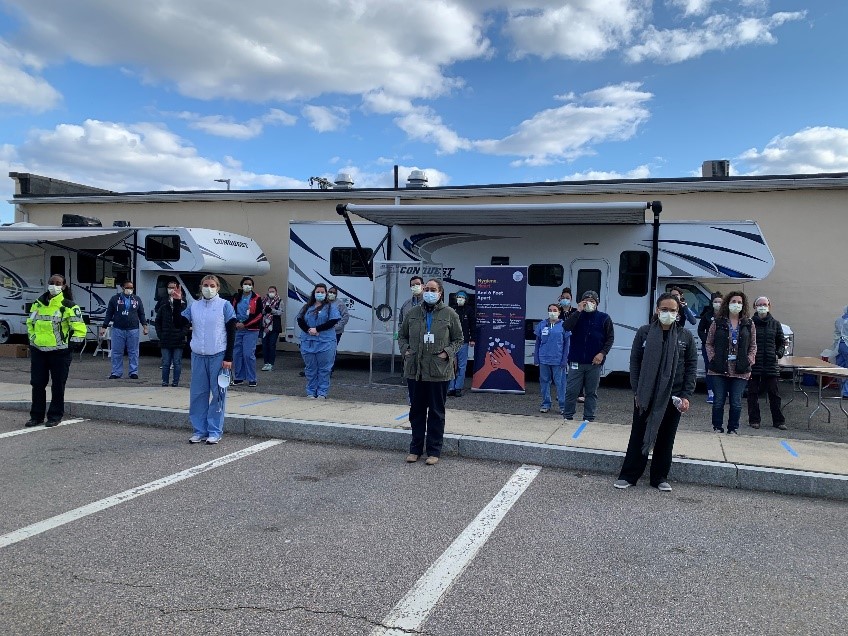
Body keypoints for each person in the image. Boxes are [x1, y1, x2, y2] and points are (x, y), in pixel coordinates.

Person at [614, 293, 697, 491]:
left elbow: (691, 366)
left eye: (673, 310)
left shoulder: (685, 336)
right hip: (645, 394)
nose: (668, 313)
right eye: (664, 309)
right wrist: (637, 391)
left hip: (673, 395)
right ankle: (629, 475)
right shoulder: (644, 332)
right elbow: (635, 362)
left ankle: (659, 477)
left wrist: (686, 395)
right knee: (638, 435)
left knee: (666, 437)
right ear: (657, 310)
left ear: (678, 313)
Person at [399, 279, 463, 466]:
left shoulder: (449, 314)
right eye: (426, 289)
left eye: (432, 290)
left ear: (440, 293)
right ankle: (415, 449)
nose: (428, 292)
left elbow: (459, 339)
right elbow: (401, 335)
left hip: (438, 371)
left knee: (436, 412)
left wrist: (447, 353)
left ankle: (434, 450)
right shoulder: (412, 313)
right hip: (415, 371)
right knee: (416, 411)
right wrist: (406, 350)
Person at [177, 275, 236, 444]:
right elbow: (179, 323)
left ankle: (214, 431)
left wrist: (229, 357)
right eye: (205, 285)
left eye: (212, 285)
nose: (208, 288)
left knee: (218, 394)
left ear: (217, 288)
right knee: (198, 394)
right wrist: (176, 302)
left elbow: (232, 331)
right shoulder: (194, 306)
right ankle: (199, 430)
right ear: (201, 287)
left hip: (218, 355)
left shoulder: (224, 305)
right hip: (198, 355)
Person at [25, 273, 86, 427]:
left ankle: (55, 416)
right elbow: (30, 323)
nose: (54, 285)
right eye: (52, 282)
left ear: (63, 286)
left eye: (58, 283)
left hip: (60, 352)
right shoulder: (37, 304)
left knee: (58, 385)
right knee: (37, 384)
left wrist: (71, 346)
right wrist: (32, 340)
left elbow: (79, 328)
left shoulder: (69, 306)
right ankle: (36, 416)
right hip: (39, 351)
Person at [706, 291, 756, 434]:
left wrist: (749, 359)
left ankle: (733, 428)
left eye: (739, 302)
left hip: (740, 368)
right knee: (719, 401)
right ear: (727, 303)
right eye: (734, 302)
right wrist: (713, 358)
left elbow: (753, 345)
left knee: (736, 402)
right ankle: (717, 427)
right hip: (719, 367)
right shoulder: (718, 322)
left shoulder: (749, 323)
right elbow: (709, 343)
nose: (736, 305)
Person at [561, 290, 614, 422]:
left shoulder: (604, 318)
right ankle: (568, 416)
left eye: (592, 301)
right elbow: (566, 327)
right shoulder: (576, 315)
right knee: (571, 391)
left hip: (594, 363)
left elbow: (610, 338)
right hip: (576, 361)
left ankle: (589, 418)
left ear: (597, 303)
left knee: (591, 392)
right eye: (586, 301)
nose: (589, 303)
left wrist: (602, 354)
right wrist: (578, 311)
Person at [747, 297, 787, 430]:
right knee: (752, 393)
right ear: (755, 307)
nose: (762, 306)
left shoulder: (775, 324)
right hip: (754, 363)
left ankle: (778, 421)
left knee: (774, 394)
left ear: (769, 306)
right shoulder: (750, 323)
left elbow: (782, 342)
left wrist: (778, 353)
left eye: (765, 304)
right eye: (760, 304)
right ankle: (754, 420)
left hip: (771, 364)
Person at [297, 283, 341, 399]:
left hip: (325, 341)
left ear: (326, 294)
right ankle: (311, 392)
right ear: (314, 293)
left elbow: (332, 321)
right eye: (318, 292)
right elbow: (300, 320)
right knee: (311, 368)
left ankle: (322, 392)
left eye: (322, 292)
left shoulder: (331, 307)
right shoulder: (307, 307)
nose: (320, 294)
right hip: (308, 341)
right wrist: (308, 330)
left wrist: (317, 329)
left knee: (324, 369)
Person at [101, 280, 148, 379]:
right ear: (123, 288)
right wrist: (104, 327)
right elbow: (109, 313)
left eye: (131, 288)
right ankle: (116, 372)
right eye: (128, 287)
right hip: (118, 328)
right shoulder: (115, 299)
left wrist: (144, 326)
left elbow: (141, 314)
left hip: (133, 329)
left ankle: (133, 372)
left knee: (134, 351)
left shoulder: (137, 299)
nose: (130, 290)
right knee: (116, 351)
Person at [534, 303, 570, 414]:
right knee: (544, 381)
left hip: (558, 359)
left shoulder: (564, 325)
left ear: (559, 312)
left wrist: (565, 359)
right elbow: (538, 342)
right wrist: (536, 357)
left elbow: (567, 344)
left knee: (560, 383)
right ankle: (546, 404)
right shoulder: (542, 324)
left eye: (555, 310)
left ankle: (563, 406)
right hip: (544, 358)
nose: (552, 312)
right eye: (550, 310)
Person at [230, 276, 263, 387]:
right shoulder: (236, 297)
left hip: (251, 330)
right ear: (242, 285)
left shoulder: (257, 298)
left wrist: (245, 324)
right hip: (237, 329)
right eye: (245, 283)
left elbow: (259, 315)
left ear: (252, 286)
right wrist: (235, 323)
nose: (247, 286)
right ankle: (238, 377)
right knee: (237, 354)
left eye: (249, 284)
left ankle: (252, 378)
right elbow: (231, 310)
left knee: (248, 354)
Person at [154, 279, 188, 387]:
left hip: (178, 340)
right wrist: (160, 334)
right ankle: (165, 381)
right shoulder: (164, 305)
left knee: (177, 362)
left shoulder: (183, 306)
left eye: (174, 288)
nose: (172, 290)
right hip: (165, 338)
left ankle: (175, 382)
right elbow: (157, 322)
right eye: (170, 288)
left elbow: (186, 323)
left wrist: (182, 334)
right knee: (166, 362)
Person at [399, 275, 425, 404]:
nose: (415, 287)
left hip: (424, 345)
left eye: (417, 284)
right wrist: (404, 347)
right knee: (410, 373)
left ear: (423, 286)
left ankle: (422, 400)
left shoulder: (427, 304)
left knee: (423, 373)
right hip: (409, 346)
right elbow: (400, 324)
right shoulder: (406, 304)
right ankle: (411, 399)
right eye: (412, 285)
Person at [698, 291, 724, 404]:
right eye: (715, 301)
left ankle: (721, 392)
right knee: (709, 368)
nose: (717, 303)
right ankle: (710, 393)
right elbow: (700, 330)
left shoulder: (726, 316)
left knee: (722, 369)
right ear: (712, 303)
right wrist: (706, 340)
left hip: (722, 347)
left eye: (720, 302)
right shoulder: (707, 315)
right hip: (707, 347)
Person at [448, 290, 474, 397]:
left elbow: (472, 325)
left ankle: (458, 387)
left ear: (466, 299)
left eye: (462, 297)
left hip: (464, 342)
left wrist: (473, 339)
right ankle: (451, 387)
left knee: (462, 366)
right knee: (450, 365)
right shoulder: (451, 310)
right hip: (451, 342)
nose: (460, 299)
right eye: (459, 297)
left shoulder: (469, 310)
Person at [261, 285, 283, 371]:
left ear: (276, 292)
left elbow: (280, 312)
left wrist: (272, 310)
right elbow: (261, 311)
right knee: (265, 344)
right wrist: (265, 310)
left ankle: (271, 363)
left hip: (274, 326)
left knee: (271, 344)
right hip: (265, 326)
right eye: (270, 291)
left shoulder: (279, 301)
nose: (271, 293)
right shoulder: (264, 300)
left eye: (273, 291)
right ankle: (265, 362)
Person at [327, 286, 349, 373]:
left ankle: (330, 370)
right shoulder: (324, 303)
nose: (331, 294)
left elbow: (346, 316)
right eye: (330, 292)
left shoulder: (340, 304)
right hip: (325, 331)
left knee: (332, 350)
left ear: (336, 294)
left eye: (334, 292)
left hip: (336, 332)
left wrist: (338, 326)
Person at [834, 305, 848, 398]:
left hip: (840, 345)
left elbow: (837, 333)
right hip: (846, 344)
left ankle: (843, 389)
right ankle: (846, 392)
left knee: (841, 367)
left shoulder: (839, 320)